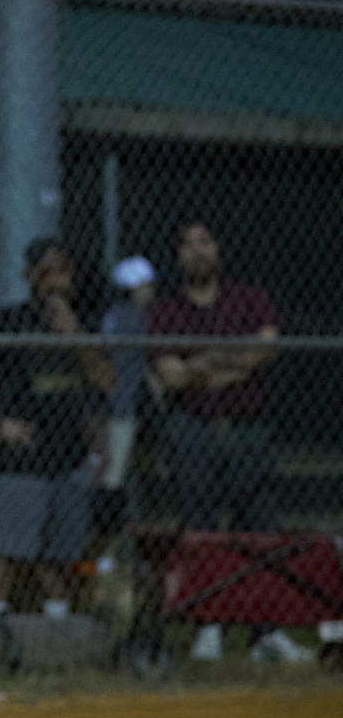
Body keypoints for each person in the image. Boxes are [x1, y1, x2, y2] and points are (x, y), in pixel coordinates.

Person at [0, 237, 114, 622]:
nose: (57, 282)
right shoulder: (7, 321)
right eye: (47, 272)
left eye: (64, 271)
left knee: (61, 555)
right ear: (29, 276)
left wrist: (75, 337)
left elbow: (105, 381)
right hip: (23, 455)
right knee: (7, 550)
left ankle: (56, 625)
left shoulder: (86, 324)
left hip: (71, 454)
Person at [148, 221, 279, 534]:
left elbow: (267, 347)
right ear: (177, 256)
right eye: (188, 245)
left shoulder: (248, 297)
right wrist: (237, 364)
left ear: (217, 248)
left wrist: (202, 363)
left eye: (204, 242)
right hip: (193, 424)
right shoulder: (166, 310)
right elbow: (172, 377)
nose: (198, 252)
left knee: (257, 521)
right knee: (198, 523)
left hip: (245, 423)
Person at [99, 256, 157, 496]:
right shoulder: (132, 317)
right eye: (147, 285)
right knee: (115, 474)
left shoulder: (116, 315)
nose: (151, 291)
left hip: (131, 400)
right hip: (124, 401)